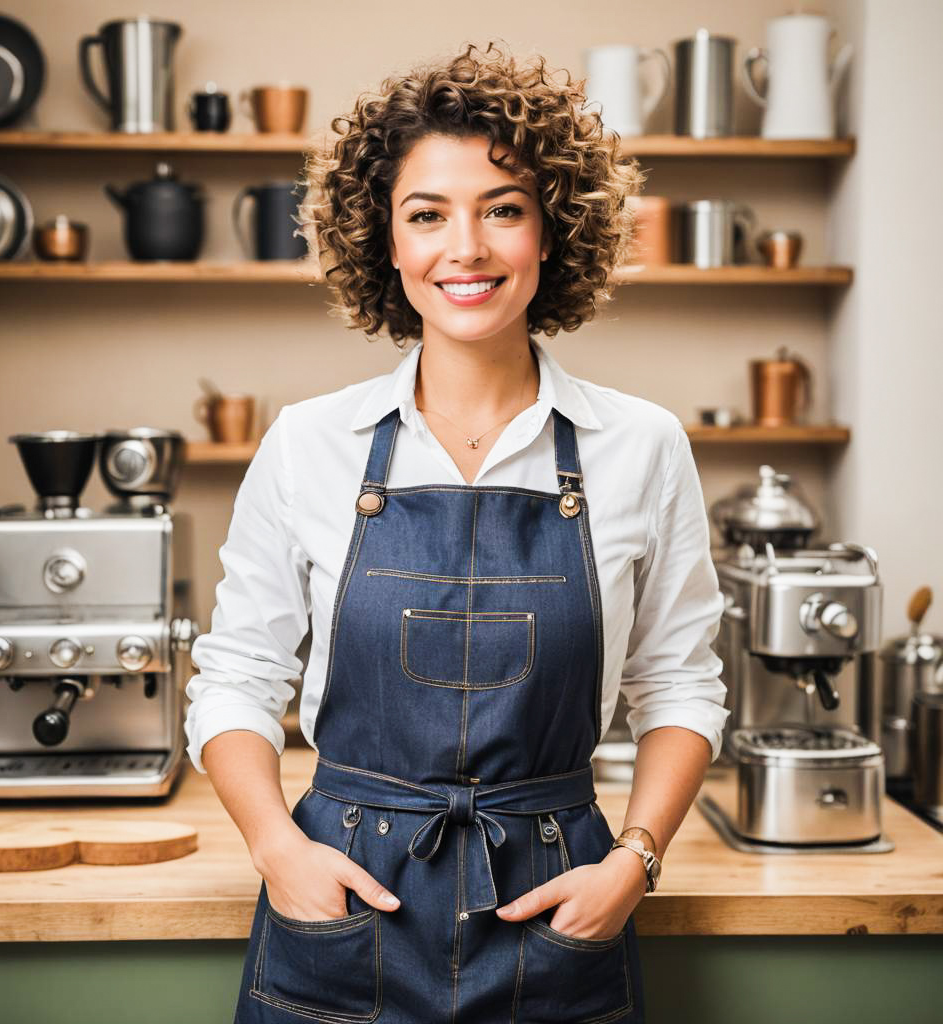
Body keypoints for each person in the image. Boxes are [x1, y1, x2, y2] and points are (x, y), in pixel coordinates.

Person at [185, 40, 730, 1024]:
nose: (465, 248)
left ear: (550, 232)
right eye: (427, 215)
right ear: (386, 244)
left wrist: (633, 862)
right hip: (343, 906)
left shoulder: (639, 446)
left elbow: (680, 681)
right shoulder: (311, 442)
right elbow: (236, 674)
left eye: (502, 209)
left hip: (560, 907)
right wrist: (278, 850)